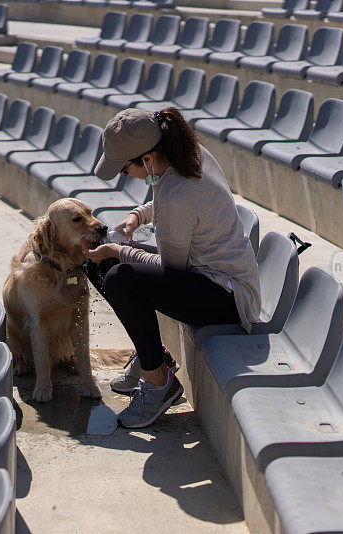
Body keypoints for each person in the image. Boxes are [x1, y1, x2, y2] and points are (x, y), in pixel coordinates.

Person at [83, 107, 261, 429]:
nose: (127, 175)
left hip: (227, 297)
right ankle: (155, 355)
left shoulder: (180, 193)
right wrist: (138, 216)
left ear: (147, 159)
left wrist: (121, 251)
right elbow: (163, 199)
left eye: (125, 169)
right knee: (94, 259)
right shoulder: (182, 153)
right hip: (204, 273)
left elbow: (170, 269)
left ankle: (157, 382)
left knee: (120, 276)